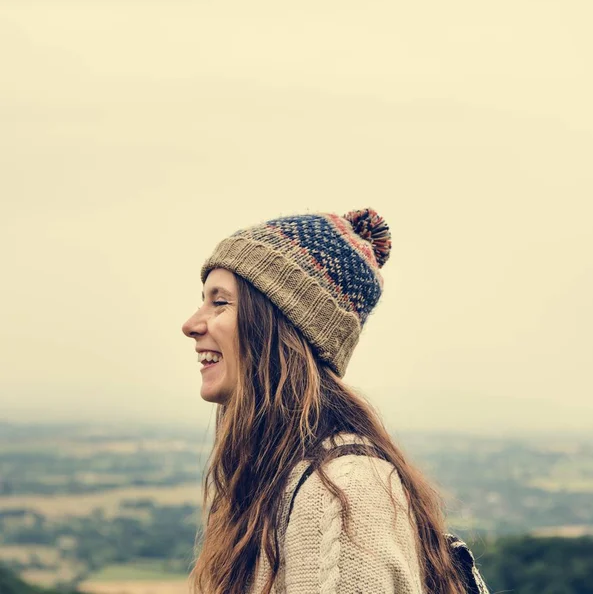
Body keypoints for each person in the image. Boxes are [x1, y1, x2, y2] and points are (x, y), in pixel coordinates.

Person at [182, 209, 472, 594]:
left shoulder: (340, 492)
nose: (191, 324)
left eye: (220, 303)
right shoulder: (277, 477)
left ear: (279, 325)